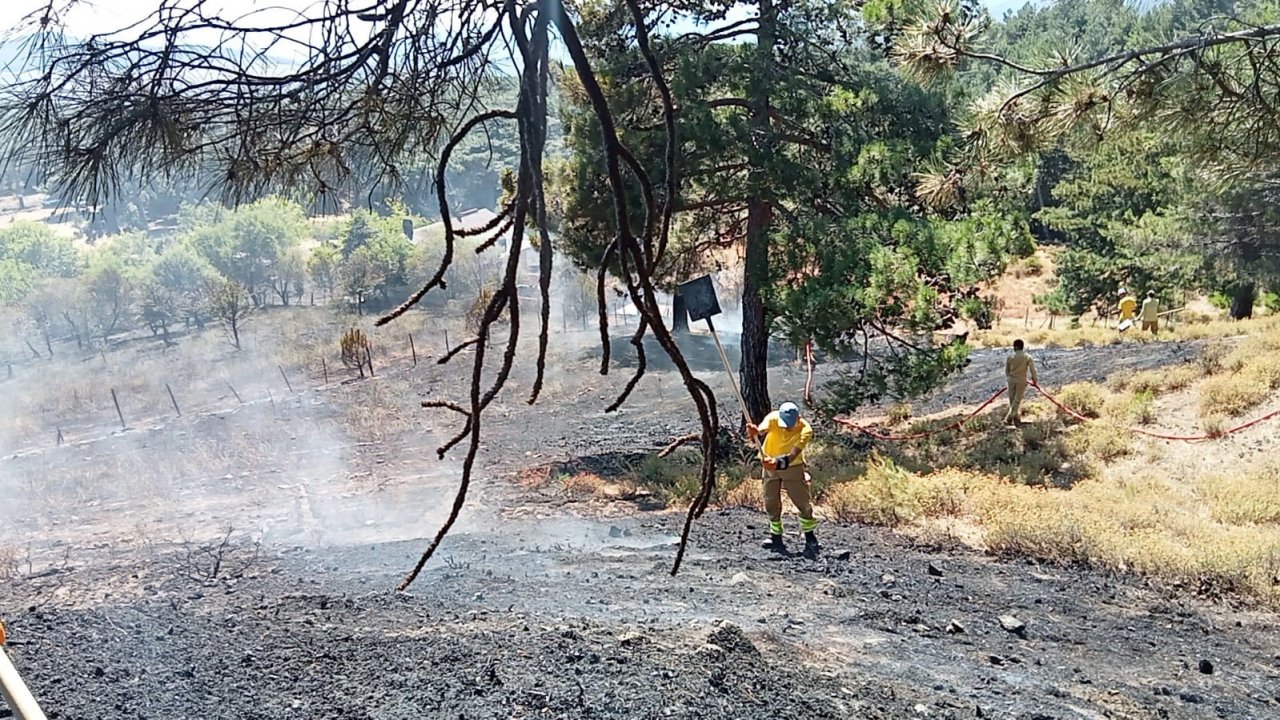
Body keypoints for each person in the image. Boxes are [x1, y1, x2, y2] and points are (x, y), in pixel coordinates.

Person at [746, 401, 819, 558]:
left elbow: (793, 455)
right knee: (770, 500)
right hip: (769, 464)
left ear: (798, 419)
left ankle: (810, 537)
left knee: (802, 501)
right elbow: (760, 431)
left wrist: (776, 463)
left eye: (789, 425)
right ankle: (776, 537)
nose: (786, 428)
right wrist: (753, 432)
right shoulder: (773, 418)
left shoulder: (805, 430)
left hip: (792, 467)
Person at [1004, 339, 1039, 426]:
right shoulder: (1027, 357)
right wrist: (1035, 380)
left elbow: (1007, 371)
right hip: (1021, 381)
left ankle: (1016, 419)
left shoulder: (1010, 357)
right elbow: (1033, 370)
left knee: (1012, 400)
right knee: (1017, 400)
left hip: (1011, 380)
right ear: (1022, 347)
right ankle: (1009, 418)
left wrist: (1010, 377)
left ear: (1015, 347)